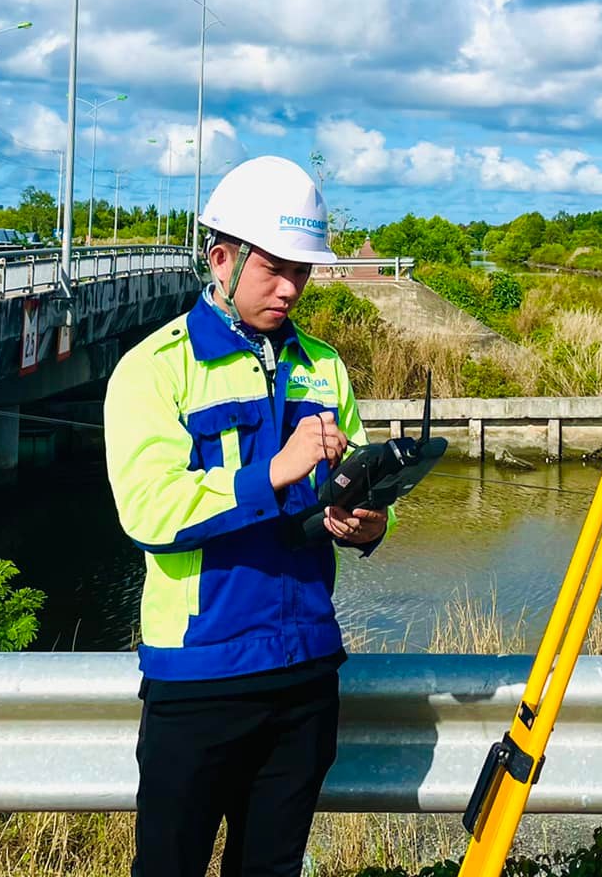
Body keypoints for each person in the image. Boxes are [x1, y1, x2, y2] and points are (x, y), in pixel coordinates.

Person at [105, 155, 390, 877]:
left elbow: (350, 488)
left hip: (305, 674)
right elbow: (149, 511)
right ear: (222, 258)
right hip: (200, 680)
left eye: (303, 270)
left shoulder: (325, 366)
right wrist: (272, 472)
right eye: (275, 267)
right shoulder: (155, 368)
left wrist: (367, 523)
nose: (291, 286)